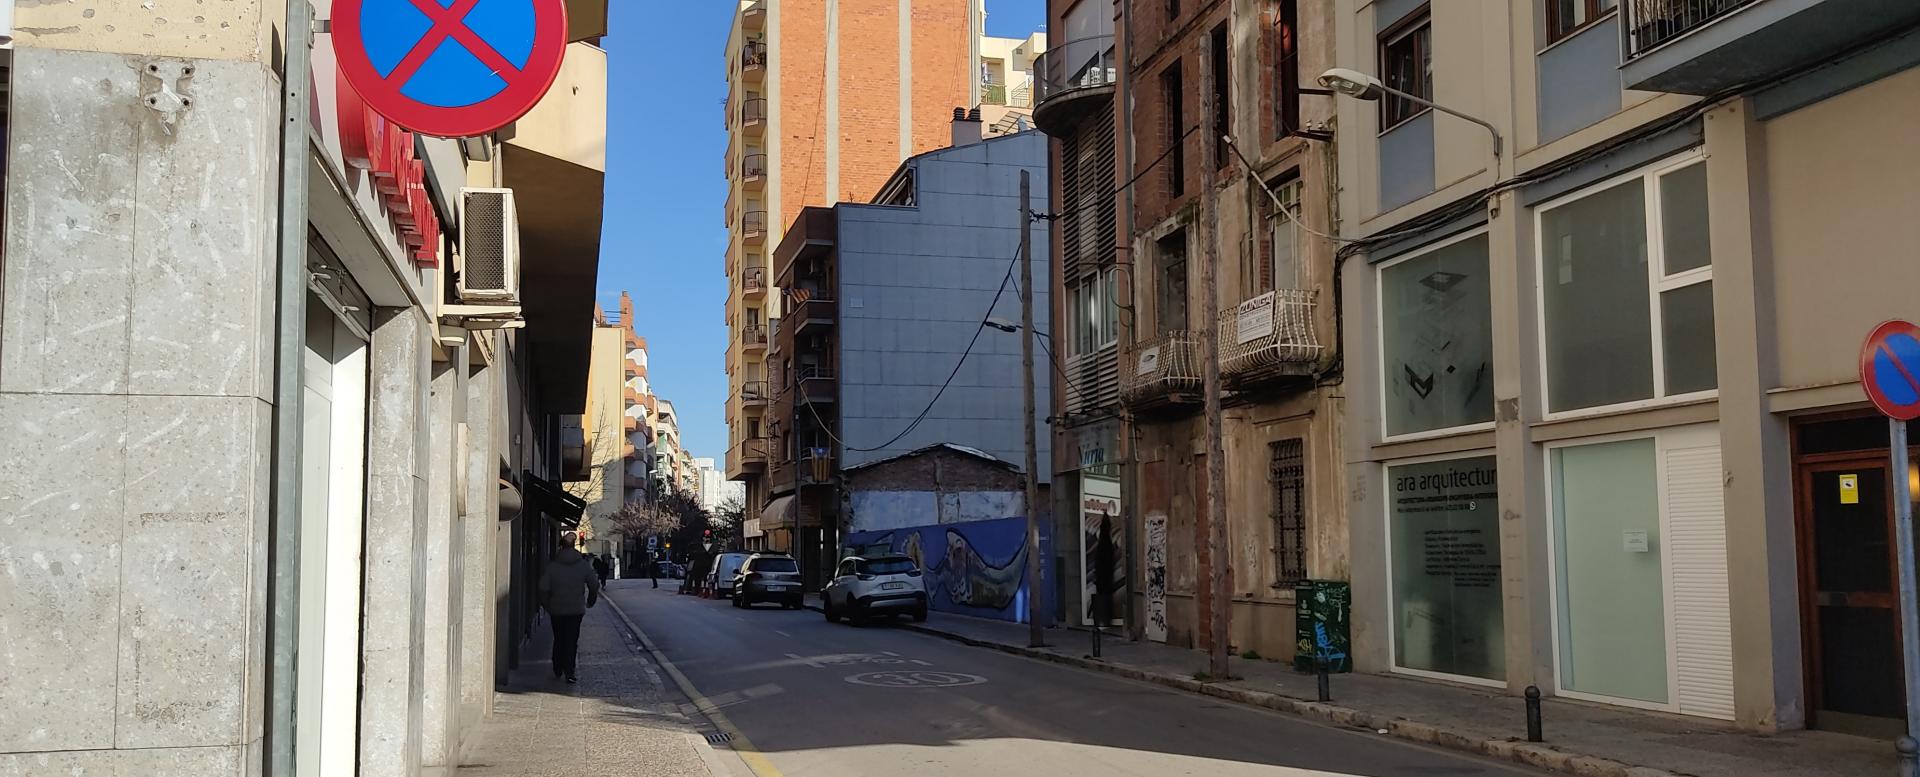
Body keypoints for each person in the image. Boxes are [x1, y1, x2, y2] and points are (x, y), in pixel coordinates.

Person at [538, 531, 600, 684]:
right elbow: (594, 584)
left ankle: (557, 667)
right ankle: (569, 671)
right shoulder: (583, 565)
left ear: (561, 546)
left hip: (557, 609)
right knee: (572, 640)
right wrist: (591, 601)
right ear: (574, 546)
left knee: (559, 638)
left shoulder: (552, 566)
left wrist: (547, 605)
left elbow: (543, 588)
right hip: (576, 609)